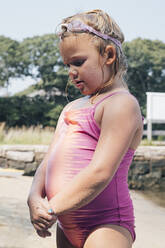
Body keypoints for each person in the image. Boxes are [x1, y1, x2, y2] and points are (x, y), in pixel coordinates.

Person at [27, 9, 144, 248]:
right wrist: (34, 197)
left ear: (108, 55)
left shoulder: (120, 103)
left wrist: (51, 208)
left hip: (106, 224)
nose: (71, 72)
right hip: (66, 223)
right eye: (68, 65)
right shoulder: (71, 108)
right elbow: (48, 161)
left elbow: (100, 172)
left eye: (78, 62)